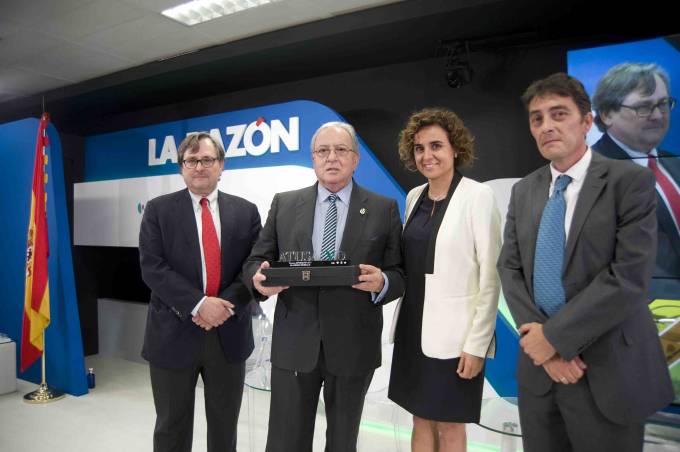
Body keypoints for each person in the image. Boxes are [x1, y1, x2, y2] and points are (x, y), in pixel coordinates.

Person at [497, 72, 674, 452]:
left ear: (587, 121)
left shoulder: (629, 182)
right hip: (540, 376)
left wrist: (553, 339)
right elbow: (509, 269)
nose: (546, 126)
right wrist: (542, 345)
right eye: (537, 118)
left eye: (559, 114)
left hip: (607, 373)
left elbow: (628, 277)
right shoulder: (524, 190)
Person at [244, 121, 405, 452]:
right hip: (294, 344)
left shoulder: (383, 208)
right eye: (323, 150)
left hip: (353, 346)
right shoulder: (284, 204)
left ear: (355, 159)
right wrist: (258, 280)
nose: (332, 157)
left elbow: (399, 273)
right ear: (313, 158)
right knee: (286, 442)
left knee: (342, 443)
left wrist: (383, 282)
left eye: (341, 149)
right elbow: (256, 260)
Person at [139, 132, 262, 452]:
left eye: (207, 159)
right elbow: (153, 268)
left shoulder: (246, 212)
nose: (199, 167)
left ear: (221, 165)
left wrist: (223, 306)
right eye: (191, 160)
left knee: (225, 428)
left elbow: (252, 267)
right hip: (172, 334)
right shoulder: (158, 210)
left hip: (228, 334)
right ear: (182, 167)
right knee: (171, 428)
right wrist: (198, 304)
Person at [388, 108, 501, 452]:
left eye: (436, 146)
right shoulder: (414, 197)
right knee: (419, 419)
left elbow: (491, 277)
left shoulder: (478, 196)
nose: (427, 155)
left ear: (455, 148)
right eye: (419, 148)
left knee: (450, 425)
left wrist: (477, 345)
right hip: (413, 329)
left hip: (456, 339)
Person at [592, 62, 679, 299]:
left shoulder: (674, 162)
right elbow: (612, 266)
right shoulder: (592, 174)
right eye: (643, 107)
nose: (658, 115)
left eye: (663, 104)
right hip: (648, 307)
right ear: (607, 114)